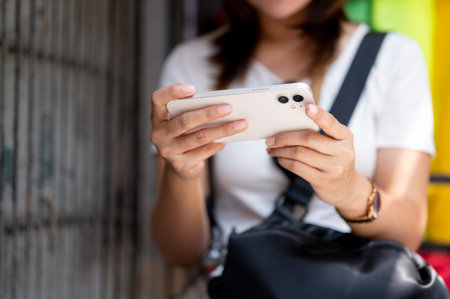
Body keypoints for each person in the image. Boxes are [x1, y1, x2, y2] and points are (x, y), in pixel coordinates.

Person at [150, 0, 435, 297]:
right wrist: (182, 174)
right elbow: (180, 252)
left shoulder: (394, 58)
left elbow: (407, 233)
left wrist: (350, 191)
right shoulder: (192, 63)